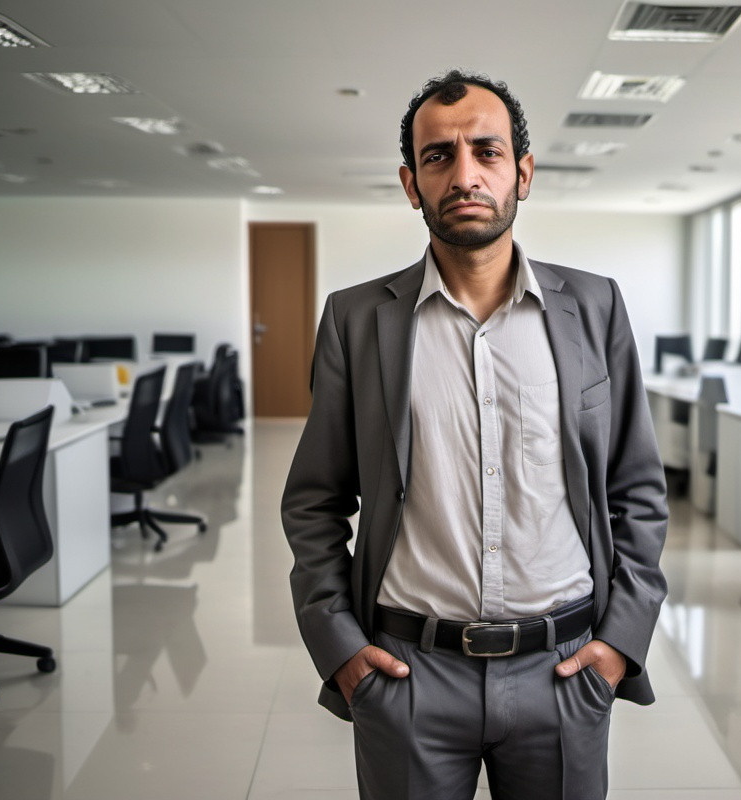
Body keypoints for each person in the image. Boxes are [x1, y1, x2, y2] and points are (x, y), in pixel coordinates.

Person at [281, 68, 669, 800]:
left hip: (565, 670)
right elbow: (313, 501)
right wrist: (341, 649)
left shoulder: (594, 307)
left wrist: (621, 642)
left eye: (487, 152)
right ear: (411, 183)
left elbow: (637, 489)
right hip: (407, 675)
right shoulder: (356, 320)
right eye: (439, 157)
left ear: (522, 172)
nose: (465, 175)